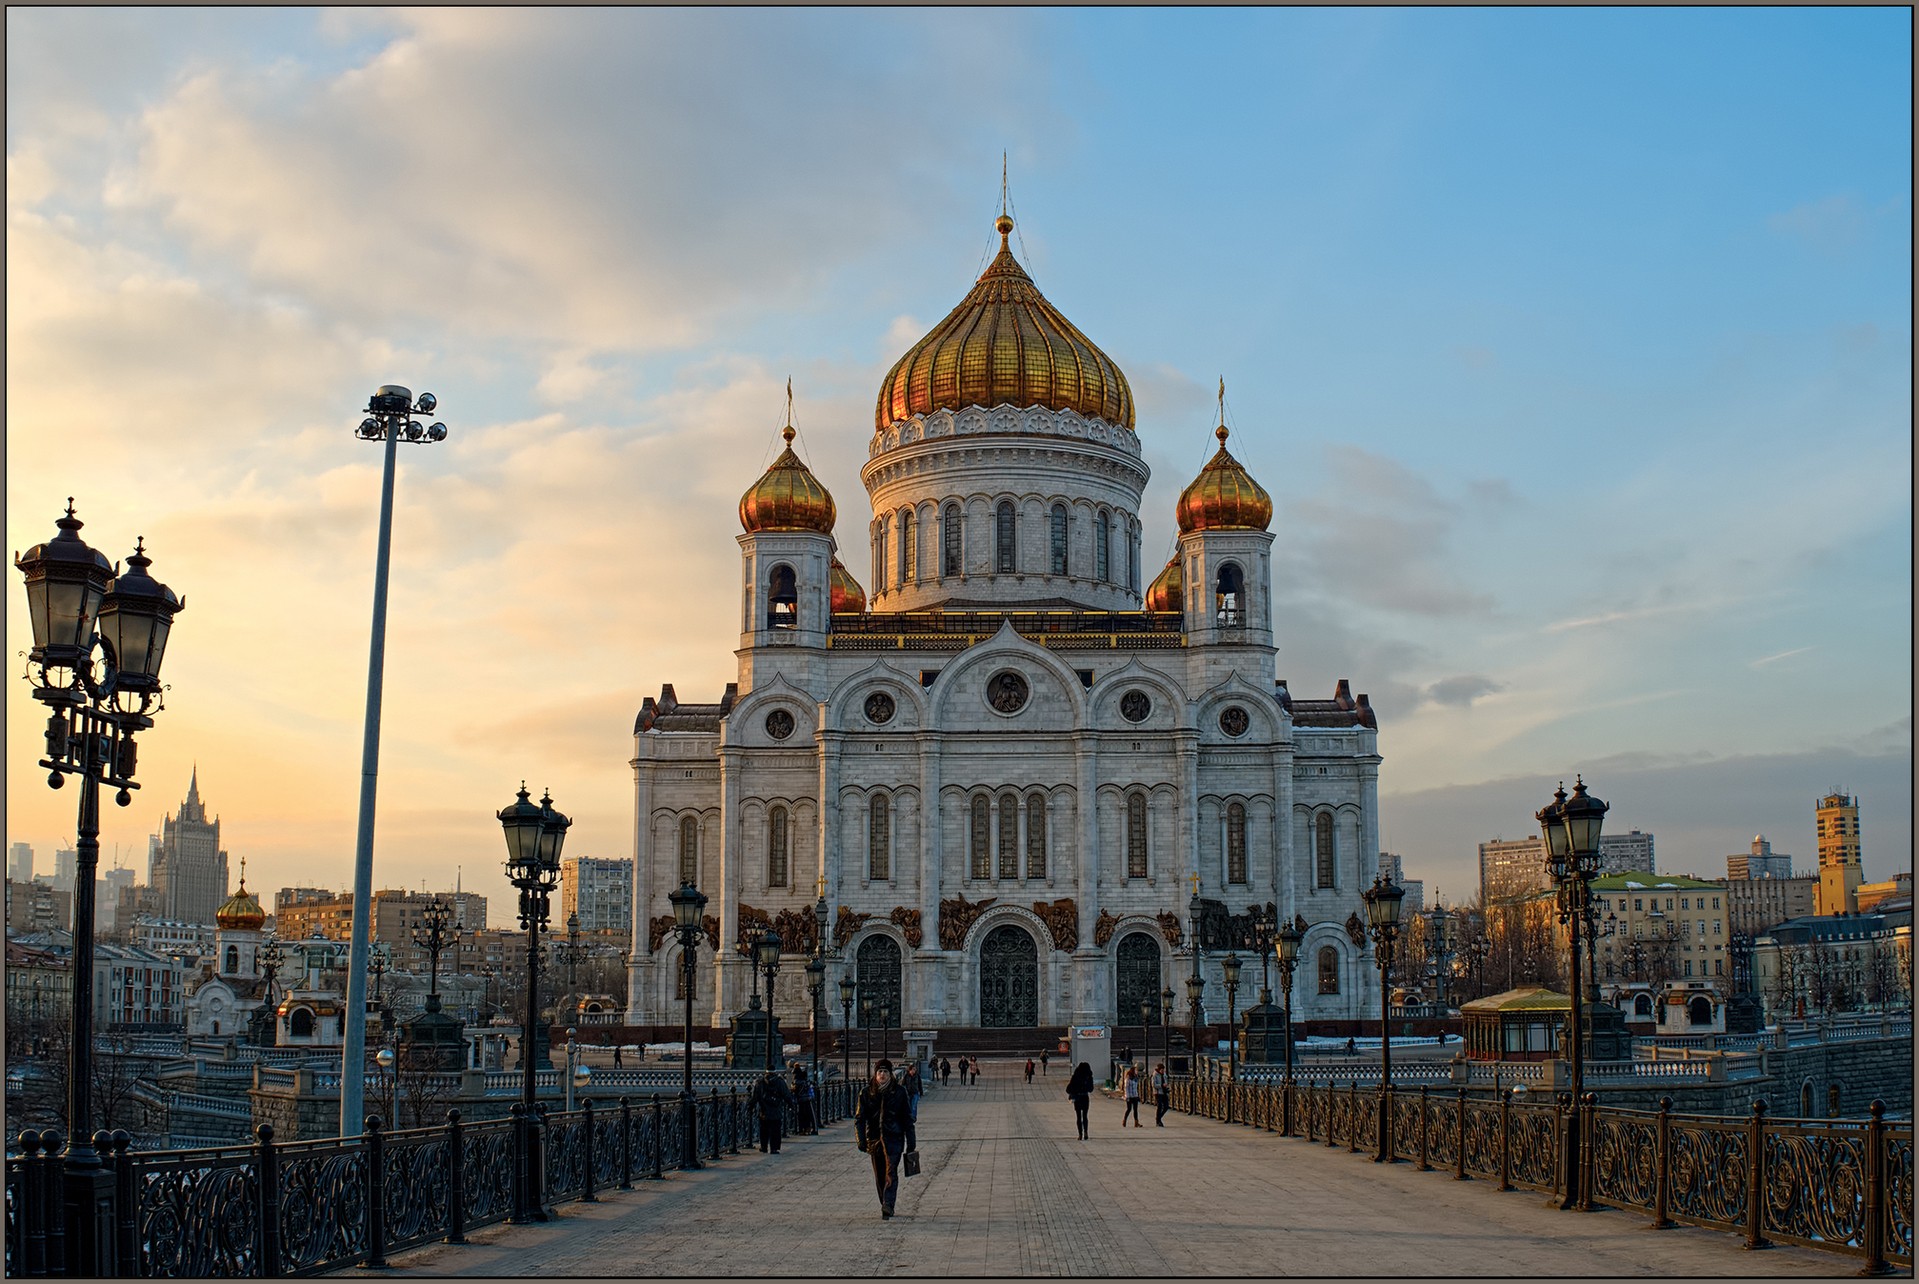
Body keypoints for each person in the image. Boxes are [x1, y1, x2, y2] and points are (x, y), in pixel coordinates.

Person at [855, 1059, 917, 1219]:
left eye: (885, 1072)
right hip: (874, 1139)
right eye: (879, 1072)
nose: (882, 1075)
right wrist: (860, 1139)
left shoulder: (900, 1092)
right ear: (875, 1075)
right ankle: (884, 1201)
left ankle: (888, 1204)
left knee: (891, 1171)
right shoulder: (866, 1093)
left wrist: (911, 1142)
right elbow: (859, 1119)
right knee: (879, 1174)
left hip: (894, 1139)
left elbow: (907, 1119)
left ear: (891, 1075)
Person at [1066, 1061, 1094, 1139]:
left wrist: (1075, 1091)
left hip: (1077, 1098)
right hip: (1085, 1097)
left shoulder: (1076, 1076)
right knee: (1085, 1116)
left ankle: (1080, 1134)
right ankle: (1086, 1132)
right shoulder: (1088, 1076)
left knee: (1078, 1117)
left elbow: (1068, 1089)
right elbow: (1091, 1089)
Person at [792, 1063, 816, 1135]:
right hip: (807, 1099)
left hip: (801, 1100)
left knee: (801, 1115)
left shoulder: (796, 1080)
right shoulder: (804, 1079)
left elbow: (795, 1090)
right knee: (807, 1115)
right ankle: (808, 1129)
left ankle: (801, 1130)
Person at [1152, 1061, 1170, 1127]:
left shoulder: (1164, 1075)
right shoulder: (1155, 1075)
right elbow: (1154, 1085)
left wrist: (1167, 1086)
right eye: (1162, 1070)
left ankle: (1158, 1118)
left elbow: (1166, 1082)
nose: (1163, 1071)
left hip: (1164, 1092)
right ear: (1159, 1070)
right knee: (1159, 1106)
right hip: (1158, 1093)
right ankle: (1158, 1121)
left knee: (1166, 1106)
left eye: (1163, 1070)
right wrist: (1161, 1085)